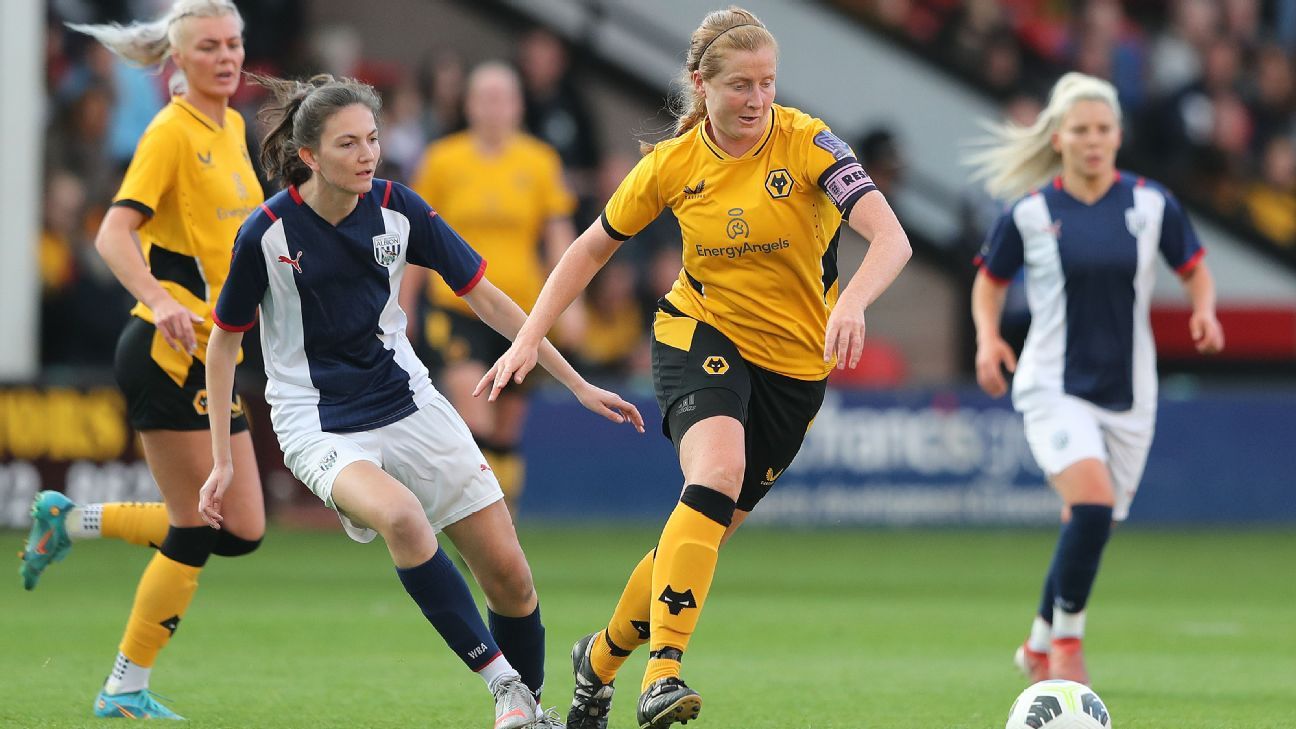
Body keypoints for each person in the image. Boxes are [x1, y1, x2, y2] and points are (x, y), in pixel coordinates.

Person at [479, 8, 912, 728]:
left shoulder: (809, 143)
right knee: (713, 476)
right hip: (700, 332)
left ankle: (599, 662)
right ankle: (663, 673)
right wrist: (529, 336)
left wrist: (854, 302)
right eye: (739, 85)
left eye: (767, 83)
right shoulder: (673, 165)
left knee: (701, 531)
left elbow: (890, 237)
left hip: (795, 368)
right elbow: (590, 247)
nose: (756, 99)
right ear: (699, 86)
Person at [197, 73, 644, 729]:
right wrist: (222, 460)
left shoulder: (400, 208)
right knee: (403, 518)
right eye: (348, 143)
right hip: (317, 424)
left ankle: (530, 711)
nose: (367, 154)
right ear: (309, 155)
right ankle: (506, 690)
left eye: (372, 138)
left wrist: (573, 380)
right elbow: (221, 347)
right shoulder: (264, 235)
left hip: (410, 404)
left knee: (513, 581)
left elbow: (488, 296)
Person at [20, 2, 266, 719]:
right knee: (195, 529)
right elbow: (111, 233)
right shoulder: (169, 133)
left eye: (234, 44)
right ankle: (123, 685)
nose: (226, 57)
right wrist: (161, 300)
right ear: (176, 62)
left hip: (214, 351)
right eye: (210, 47)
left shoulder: (235, 126)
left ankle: (69, 522)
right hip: (166, 349)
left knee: (242, 529)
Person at [966, 72, 1225, 686]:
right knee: (1091, 504)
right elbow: (988, 280)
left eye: (1103, 129)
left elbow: (1194, 265)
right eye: (1080, 130)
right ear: (1058, 138)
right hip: (1053, 384)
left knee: (1090, 522)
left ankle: (1035, 643)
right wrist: (989, 337)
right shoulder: (1029, 213)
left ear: (1118, 135)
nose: (1093, 140)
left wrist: (1204, 309)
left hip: (1130, 392)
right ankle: (1067, 644)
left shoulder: (1150, 203)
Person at [404, 62, 579, 514]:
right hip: (457, 306)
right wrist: (402, 307)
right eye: (485, 97)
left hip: (520, 314)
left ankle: (503, 521)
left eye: (505, 98)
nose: (495, 108)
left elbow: (559, 235)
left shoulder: (540, 161)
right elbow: (417, 240)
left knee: (506, 428)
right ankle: (477, 518)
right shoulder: (442, 159)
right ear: (469, 105)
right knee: (474, 408)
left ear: (519, 107)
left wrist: (572, 305)